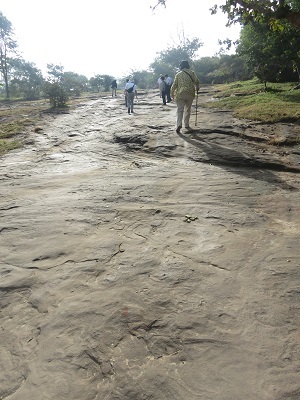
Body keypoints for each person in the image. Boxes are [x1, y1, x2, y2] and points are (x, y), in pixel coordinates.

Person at [170, 60, 200, 133]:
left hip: (180, 94)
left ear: (181, 66)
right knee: (188, 109)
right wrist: (197, 87)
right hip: (190, 93)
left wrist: (172, 93)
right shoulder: (192, 72)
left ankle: (179, 124)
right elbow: (197, 80)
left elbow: (174, 85)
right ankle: (186, 124)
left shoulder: (178, 74)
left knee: (180, 110)